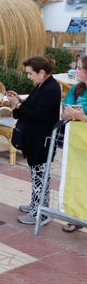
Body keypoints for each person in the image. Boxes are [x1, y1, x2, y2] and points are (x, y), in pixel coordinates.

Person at [6, 56, 61, 226]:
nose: (29, 77)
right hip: (35, 138)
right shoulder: (42, 86)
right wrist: (19, 102)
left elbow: (39, 115)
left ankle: (40, 213)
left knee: (40, 175)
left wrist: (19, 106)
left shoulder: (51, 88)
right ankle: (36, 205)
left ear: (42, 72)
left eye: (31, 73)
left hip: (42, 140)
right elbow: (33, 108)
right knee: (37, 174)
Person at [60, 54, 87, 232]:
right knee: (76, 181)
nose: (76, 71)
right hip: (77, 146)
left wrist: (82, 117)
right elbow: (63, 115)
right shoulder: (76, 90)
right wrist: (70, 114)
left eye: (79, 68)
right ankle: (76, 216)